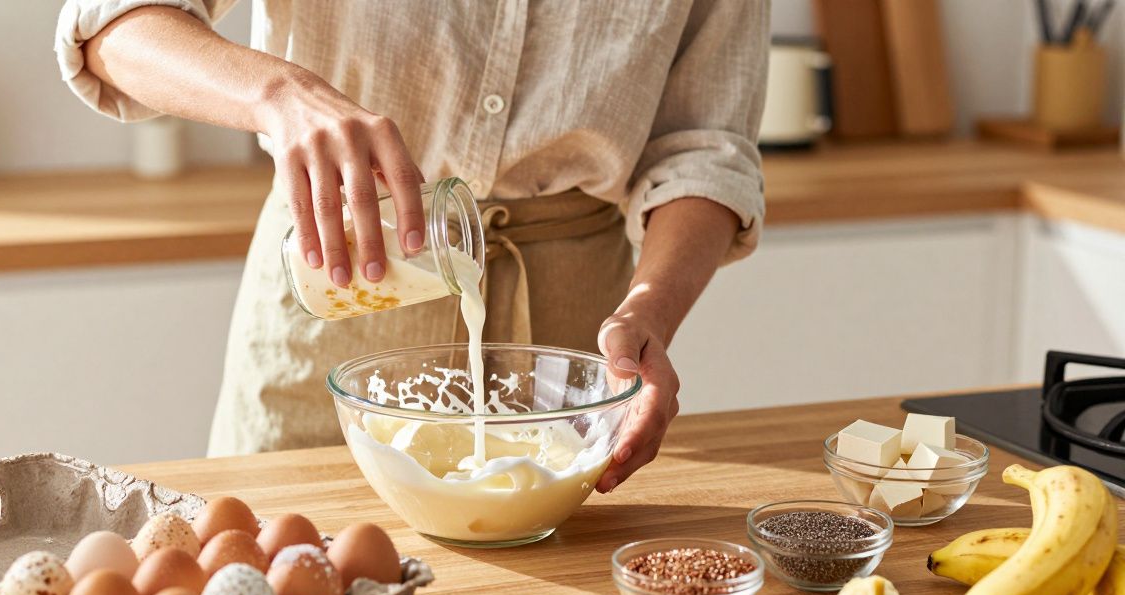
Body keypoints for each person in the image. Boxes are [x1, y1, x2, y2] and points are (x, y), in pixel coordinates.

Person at [55, 0, 768, 492]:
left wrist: (650, 311)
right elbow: (111, 26)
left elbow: (705, 144)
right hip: (336, 288)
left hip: (571, 346)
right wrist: (280, 91)